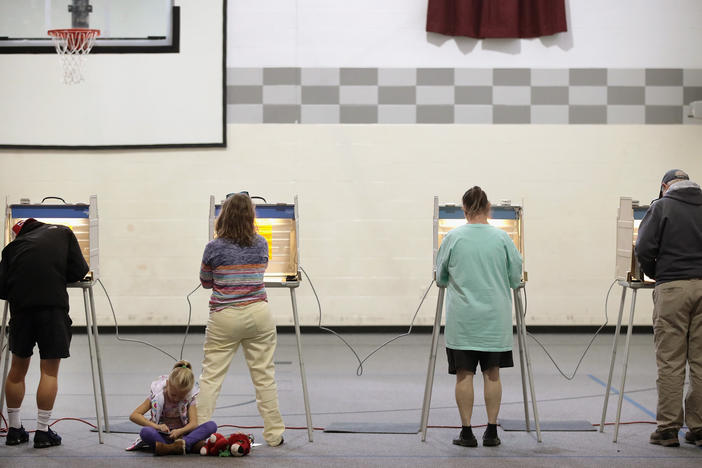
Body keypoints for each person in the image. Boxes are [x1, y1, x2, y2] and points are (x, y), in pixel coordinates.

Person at [435, 186, 522, 447]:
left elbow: (440, 277)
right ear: (488, 208)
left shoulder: (453, 238)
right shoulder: (503, 238)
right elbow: (515, 276)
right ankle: (492, 431)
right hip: (495, 321)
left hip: (463, 321)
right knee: (492, 373)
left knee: (464, 374)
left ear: (464, 209)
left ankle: (467, 432)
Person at [196, 193, 285, 446]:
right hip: (259, 313)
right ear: (251, 216)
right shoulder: (261, 243)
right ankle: (275, 434)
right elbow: (261, 271)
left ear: (224, 215)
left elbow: (205, 282)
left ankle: (201, 432)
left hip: (224, 315)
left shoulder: (213, 247)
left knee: (211, 376)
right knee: (264, 376)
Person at [0, 218, 89, 448]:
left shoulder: (11, 248)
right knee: (49, 372)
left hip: (21, 310)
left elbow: (1, 287)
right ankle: (42, 432)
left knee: (16, 371)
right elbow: (80, 270)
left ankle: (14, 430)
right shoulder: (62, 232)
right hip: (52, 308)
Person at [635, 169, 702, 447]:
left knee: (671, 360)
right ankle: (699, 427)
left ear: (665, 187)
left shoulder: (661, 207)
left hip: (672, 287)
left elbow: (643, 248)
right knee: (700, 361)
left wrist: (656, 274)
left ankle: (668, 428)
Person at [127, 360, 217, 455]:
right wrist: (157, 427)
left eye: (181, 396)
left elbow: (194, 424)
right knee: (145, 432)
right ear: (167, 383)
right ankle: (187, 446)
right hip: (162, 435)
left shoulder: (189, 398)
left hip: (182, 435)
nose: (176, 399)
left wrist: (180, 431)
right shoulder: (157, 396)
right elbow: (134, 416)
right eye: (174, 395)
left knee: (211, 425)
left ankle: (173, 447)